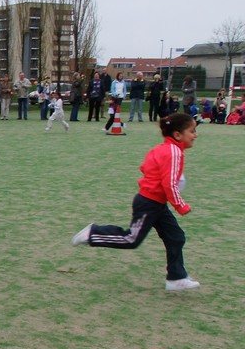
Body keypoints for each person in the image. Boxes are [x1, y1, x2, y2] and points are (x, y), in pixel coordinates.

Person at [72, 113, 200, 291]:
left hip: (156, 203)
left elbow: (145, 166)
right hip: (149, 203)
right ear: (178, 135)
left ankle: (176, 277)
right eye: (192, 131)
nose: (195, 135)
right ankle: (92, 233)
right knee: (131, 239)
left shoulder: (164, 149)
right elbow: (169, 184)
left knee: (175, 236)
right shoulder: (173, 152)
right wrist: (181, 206)